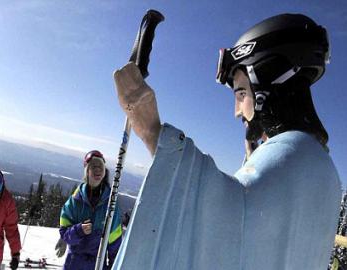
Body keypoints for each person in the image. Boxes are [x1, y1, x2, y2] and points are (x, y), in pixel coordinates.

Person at [111, 13, 341, 270]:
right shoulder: (323, 166)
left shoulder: (290, 154)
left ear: (267, 85)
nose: (236, 110)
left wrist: (151, 130)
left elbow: (227, 218)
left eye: (241, 92)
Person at [59, 150, 122, 270]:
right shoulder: (75, 201)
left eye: (101, 166)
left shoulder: (111, 205)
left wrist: (114, 266)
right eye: (94, 166)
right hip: (73, 263)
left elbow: (115, 243)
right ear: (87, 171)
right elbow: (65, 235)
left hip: (97, 265)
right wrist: (78, 230)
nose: (98, 169)